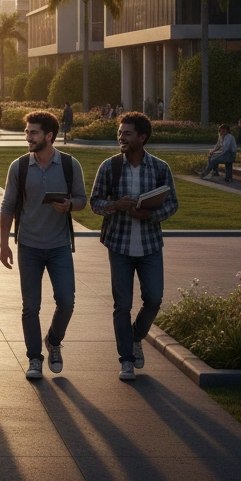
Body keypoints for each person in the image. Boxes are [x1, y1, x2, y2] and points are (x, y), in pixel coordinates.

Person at [90, 112, 179, 381]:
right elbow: (95, 202)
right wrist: (114, 206)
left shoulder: (160, 168)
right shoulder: (110, 166)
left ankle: (136, 336)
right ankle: (126, 360)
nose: (121, 137)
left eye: (127, 133)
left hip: (150, 245)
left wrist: (151, 214)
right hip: (119, 245)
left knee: (153, 299)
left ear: (142, 137)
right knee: (122, 305)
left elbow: (172, 203)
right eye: (120, 133)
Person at [0, 111, 86, 379]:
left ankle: (54, 341)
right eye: (27, 132)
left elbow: (83, 199)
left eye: (33, 132)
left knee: (66, 301)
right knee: (30, 306)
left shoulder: (70, 165)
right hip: (29, 246)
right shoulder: (20, 167)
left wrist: (69, 205)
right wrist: (4, 244)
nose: (28, 137)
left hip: (59, 246)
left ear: (49, 136)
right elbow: (8, 206)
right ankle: (34, 358)